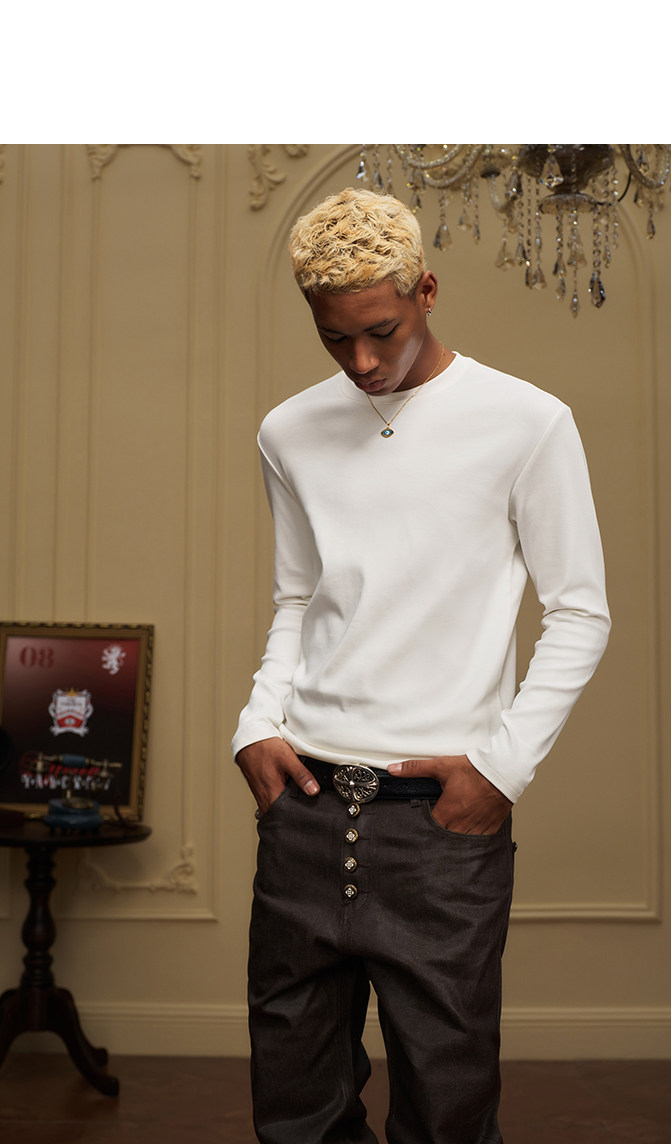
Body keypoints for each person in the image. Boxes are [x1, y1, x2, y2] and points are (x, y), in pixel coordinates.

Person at [233, 186, 610, 1144]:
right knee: (295, 1112)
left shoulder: (527, 422)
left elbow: (579, 612)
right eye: (335, 338)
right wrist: (256, 725)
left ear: (427, 291)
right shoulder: (288, 431)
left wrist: (501, 770)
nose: (361, 361)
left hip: (440, 824)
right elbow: (298, 598)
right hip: (303, 805)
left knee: (447, 1114)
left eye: (382, 332)